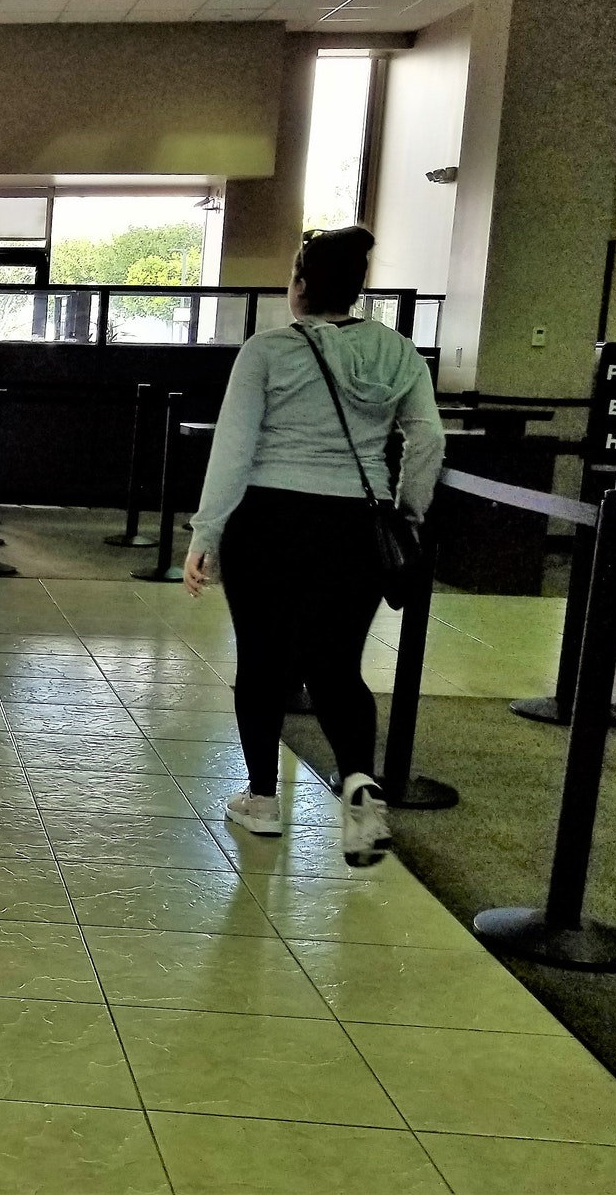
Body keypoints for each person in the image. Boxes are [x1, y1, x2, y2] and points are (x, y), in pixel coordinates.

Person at [184, 226, 444, 868]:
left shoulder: (266, 351)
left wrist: (206, 531)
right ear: (355, 288)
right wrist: (404, 514)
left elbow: (234, 449)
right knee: (335, 664)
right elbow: (428, 440)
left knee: (264, 660)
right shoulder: (398, 354)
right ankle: (358, 781)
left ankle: (264, 802)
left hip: (267, 522)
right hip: (356, 527)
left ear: (300, 284)